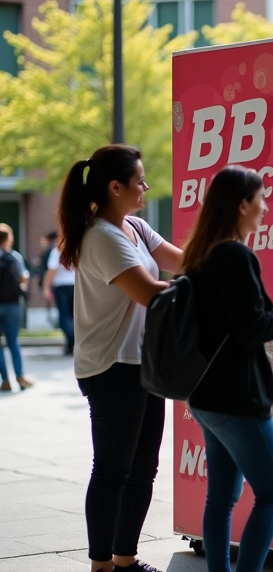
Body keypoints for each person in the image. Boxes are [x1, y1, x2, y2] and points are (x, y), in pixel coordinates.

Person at [182, 166, 273, 572]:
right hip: (238, 399)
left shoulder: (201, 252)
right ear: (242, 204)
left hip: (207, 396)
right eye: (261, 199)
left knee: (221, 499)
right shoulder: (234, 254)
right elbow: (254, 329)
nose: (265, 207)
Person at [58, 145, 183, 572]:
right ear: (115, 187)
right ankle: (101, 567)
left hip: (144, 364)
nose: (145, 187)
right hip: (110, 368)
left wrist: (220, 253)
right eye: (139, 181)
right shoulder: (101, 237)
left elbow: (180, 261)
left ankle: (125, 560)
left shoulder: (133, 226)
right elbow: (151, 292)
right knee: (113, 469)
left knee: (143, 469)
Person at [0, 224, 30, 391]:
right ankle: (20, 376)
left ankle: (5, 380)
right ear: (8, 239)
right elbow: (23, 278)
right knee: (13, 342)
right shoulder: (14, 257)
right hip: (12, 304)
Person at [44, 234, 76, 355]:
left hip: (62, 286)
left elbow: (52, 270)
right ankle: (72, 343)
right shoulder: (76, 249)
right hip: (76, 286)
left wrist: (46, 287)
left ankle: (71, 341)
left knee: (64, 316)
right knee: (74, 316)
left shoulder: (57, 251)